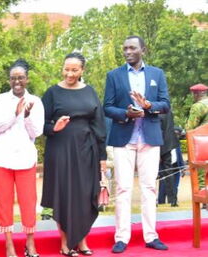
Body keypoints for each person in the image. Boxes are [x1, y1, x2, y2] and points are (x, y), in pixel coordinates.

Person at [103, 35, 170, 253]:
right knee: (123, 188)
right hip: (124, 138)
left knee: (149, 188)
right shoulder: (114, 75)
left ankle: (151, 236)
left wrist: (148, 105)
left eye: (132, 48)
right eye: (125, 48)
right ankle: (121, 237)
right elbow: (108, 107)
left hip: (149, 138)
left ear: (143, 49)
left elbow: (166, 104)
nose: (127, 51)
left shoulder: (156, 74)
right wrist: (126, 113)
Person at [41, 52, 107, 257]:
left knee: (84, 195)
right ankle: (65, 243)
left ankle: (82, 241)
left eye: (74, 70)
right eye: (66, 69)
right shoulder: (52, 93)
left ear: (82, 71)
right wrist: (55, 128)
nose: (69, 73)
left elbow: (99, 125)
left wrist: (102, 157)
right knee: (64, 195)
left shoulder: (90, 92)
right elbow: (40, 125)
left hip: (86, 150)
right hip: (60, 150)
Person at [0, 59, 44, 257]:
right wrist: (15, 113)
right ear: (9, 80)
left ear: (26, 79)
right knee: (4, 201)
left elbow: (37, 132)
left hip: (25, 158)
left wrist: (26, 115)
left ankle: (30, 243)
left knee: (28, 201)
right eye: (13, 78)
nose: (16, 81)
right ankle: (9, 244)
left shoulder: (36, 101)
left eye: (20, 78)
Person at [185, 83, 208, 191]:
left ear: (197, 94)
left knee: (201, 171)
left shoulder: (198, 106)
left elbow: (190, 127)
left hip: (202, 144)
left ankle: (203, 193)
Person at [157, 110, 180, 207]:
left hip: (159, 144)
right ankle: (173, 199)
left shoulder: (156, 111)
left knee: (155, 173)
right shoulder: (168, 109)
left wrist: (158, 150)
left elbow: (159, 129)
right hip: (169, 144)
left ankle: (157, 200)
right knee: (168, 173)